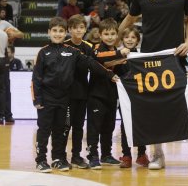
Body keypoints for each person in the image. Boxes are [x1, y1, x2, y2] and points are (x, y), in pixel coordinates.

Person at [119, 0, 188, 170]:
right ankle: (158, 155)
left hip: (176, 57)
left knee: (186, 105)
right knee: (153, 109)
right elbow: (130, 18)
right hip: (149, 58)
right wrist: (117, 35)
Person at [32, 17, 115, 173]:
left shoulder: (73, 51)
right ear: (49, 32)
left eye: (60, 31)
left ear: (65, 33)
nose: (58, 34)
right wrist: (37, 98)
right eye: (55, 31)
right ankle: (41, 160)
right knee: (44, 129)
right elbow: (36, 78)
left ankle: (57, 159)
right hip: (47, 98)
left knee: (59, 129)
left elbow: (91, 62)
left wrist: (109, 74)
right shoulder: (43, 52)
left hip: (64, 98)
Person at [86, 18, 130, 169]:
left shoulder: (116, 51)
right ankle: (92, 156)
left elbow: (122, 69)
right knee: (94, 127)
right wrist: (118, 56)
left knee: (109, 126)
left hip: (112, 95)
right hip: (96, 95)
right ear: (100, 34)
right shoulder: (97, 48)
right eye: (106, 34)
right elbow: (99, 58)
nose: (110, 37)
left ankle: (106, 154)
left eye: (113, 34)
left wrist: (120, 60)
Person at [62, 15, 93, 169]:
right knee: (65, 126)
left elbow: (96, 66)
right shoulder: (63, 45)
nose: (79, 30)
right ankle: (60, 156)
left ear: (85, 29)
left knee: (79, 127)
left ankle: (76, 156)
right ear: (69, 30)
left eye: (81, 27)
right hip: (66, 94)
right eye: (75, 28)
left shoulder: (88, 47)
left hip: (82, 92)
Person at [118, 26, 149, 168]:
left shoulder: (142, 56)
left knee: (142, 124)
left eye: (133, 37)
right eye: (126, 37)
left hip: (140, 97)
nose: (129, 40)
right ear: (122, 39)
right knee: (125, 126)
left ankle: (142, 154)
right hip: (124, 97)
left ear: (137, 40)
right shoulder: (117, 55)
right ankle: (126, 155)